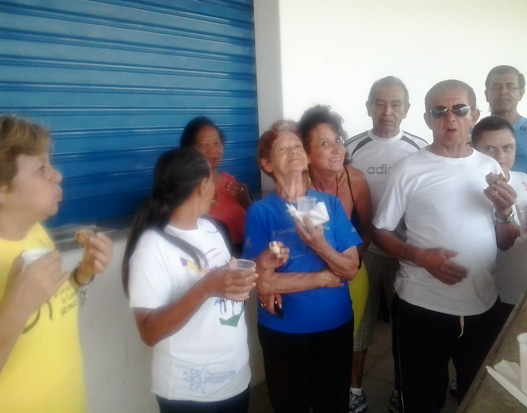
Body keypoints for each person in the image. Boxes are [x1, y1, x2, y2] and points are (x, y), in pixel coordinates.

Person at [372, 80, 520, 412]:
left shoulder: (489, 168)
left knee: (479, 395)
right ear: (428, 119)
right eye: (439, 111)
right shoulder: (407, 170)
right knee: (421, 401)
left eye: (459, 109)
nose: (449, 118)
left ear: (474, 116)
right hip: (422, 308)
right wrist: (419, 256)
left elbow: (506, 241)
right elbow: (380, 231)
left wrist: (504, 213)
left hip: (483, 305)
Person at [122, 147, 257, 413]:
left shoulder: (211, 230)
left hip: (235, 378)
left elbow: (226, 287)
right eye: (213, 179)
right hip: (189, 391)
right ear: (202, 186)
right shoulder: (152, 246)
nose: (217, 185)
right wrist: (206, 287)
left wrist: (261, 265)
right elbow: (149, 332)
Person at [243, 120, 362, 413]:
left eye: (297, 146)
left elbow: (350, 269)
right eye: (283, 149)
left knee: (332, 406)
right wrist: (323, 278)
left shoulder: (330, 205)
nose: (294, 151)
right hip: (283, 331)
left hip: (335, 326)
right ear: (267, 163)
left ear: (307, 157)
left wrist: (320, 245)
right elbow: (263, 282)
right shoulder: (261, 212)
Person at [0, 114, 113, 412]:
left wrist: (82, 275)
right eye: (41, 168)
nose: (58, 175)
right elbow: (25, 308)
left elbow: (49, 309)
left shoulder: (35, 232)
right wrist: (14, 310)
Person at [344, 75, 427, 413]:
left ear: (406, 109)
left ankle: (400, 390)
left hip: (405, 251)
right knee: (358, 326)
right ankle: (354, 391)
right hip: (363, 249)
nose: (387, 111)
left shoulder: (420, 148)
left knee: (406, 329)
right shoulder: (351, 148)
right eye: (380, 103)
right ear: (368, 107)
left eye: (395, 104)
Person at [298, 104, 373, 337]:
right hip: (312, 280)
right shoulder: (299, 186)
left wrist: (351, 264)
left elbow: (367, 228)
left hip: (352, 273)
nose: (337, 149)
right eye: (325, 144)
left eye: (338, 140)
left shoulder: (355, 180)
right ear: (306, 154)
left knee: (351, 342)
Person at [471, 116, 527, 323]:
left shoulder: (524, 178)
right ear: (474, 150)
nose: (501, 156)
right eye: (490, 149)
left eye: (507, 148)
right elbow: (501, 243)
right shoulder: (470, 190)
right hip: (508, 295)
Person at [180, 116, 252, 256]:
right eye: (203, 145)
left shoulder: (229, 179)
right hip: (216, 257)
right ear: (189, 150)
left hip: (247, 250)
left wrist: (245, 199)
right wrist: (201, 207)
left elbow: (254, 215)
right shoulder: (186, 187)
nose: (213, 151)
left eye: (217, 143)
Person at [484, 65, 527, 187]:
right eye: (496, 87)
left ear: (521, 93)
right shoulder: (473, 132)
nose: (503, 91)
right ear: (486, 95)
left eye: (510, 86)